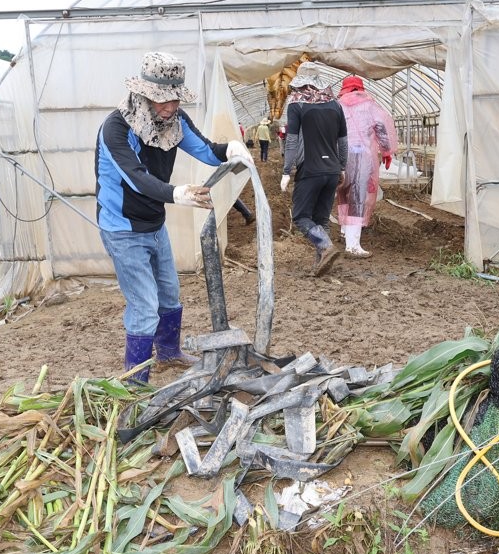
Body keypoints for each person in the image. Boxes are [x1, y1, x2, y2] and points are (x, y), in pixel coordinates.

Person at [96, 51, 253, 382]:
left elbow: (207, 150)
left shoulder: (174, 122)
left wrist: (231, 149)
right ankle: (136, 379)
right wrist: (177, 194)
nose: (169, 106)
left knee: (169, 292)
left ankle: (168, 354)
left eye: (174, 99)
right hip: (123, 228)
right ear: (144, 94)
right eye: (161, 100)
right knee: (144, 305)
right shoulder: (115, 129)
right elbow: (136, 178)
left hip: (154, 224)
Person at [280, 61, 348, 275]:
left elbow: (291, 141)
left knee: (300, 217)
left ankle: (325, 246)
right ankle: (322, 264)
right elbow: (343, 141)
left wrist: (286, 171)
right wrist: (342, 167)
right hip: (332, 171)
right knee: (321, 218)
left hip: (310, 170)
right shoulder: (336, 105)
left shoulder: (296, 104)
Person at [335, 75, 397, 258]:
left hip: (341, 155)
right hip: (362, 156)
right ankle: (352, 245)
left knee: (343, 192)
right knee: (358, 196)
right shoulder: (369, 105)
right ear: (360, 88)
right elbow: (381, 129)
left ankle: (346, 231)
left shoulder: (337, 105)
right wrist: (386, 152)